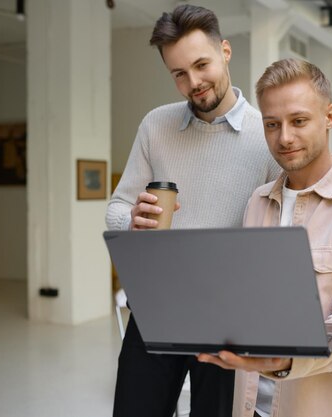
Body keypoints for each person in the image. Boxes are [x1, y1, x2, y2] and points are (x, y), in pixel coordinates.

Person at [197, 58, 332, 417]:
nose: (284, 137)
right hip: (250, 407)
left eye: (299, 121)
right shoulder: (257, 201)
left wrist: (291, 356)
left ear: (330, 116)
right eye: (272, 124)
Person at [105, 4, 280, 417]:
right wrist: (131, 221)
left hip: (229, 315)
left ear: (225, 51)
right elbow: (116, 208)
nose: (193, 83)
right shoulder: (155, 125)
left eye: (201, 65)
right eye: (179, 74)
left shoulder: (267, 136)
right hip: (156, 302)